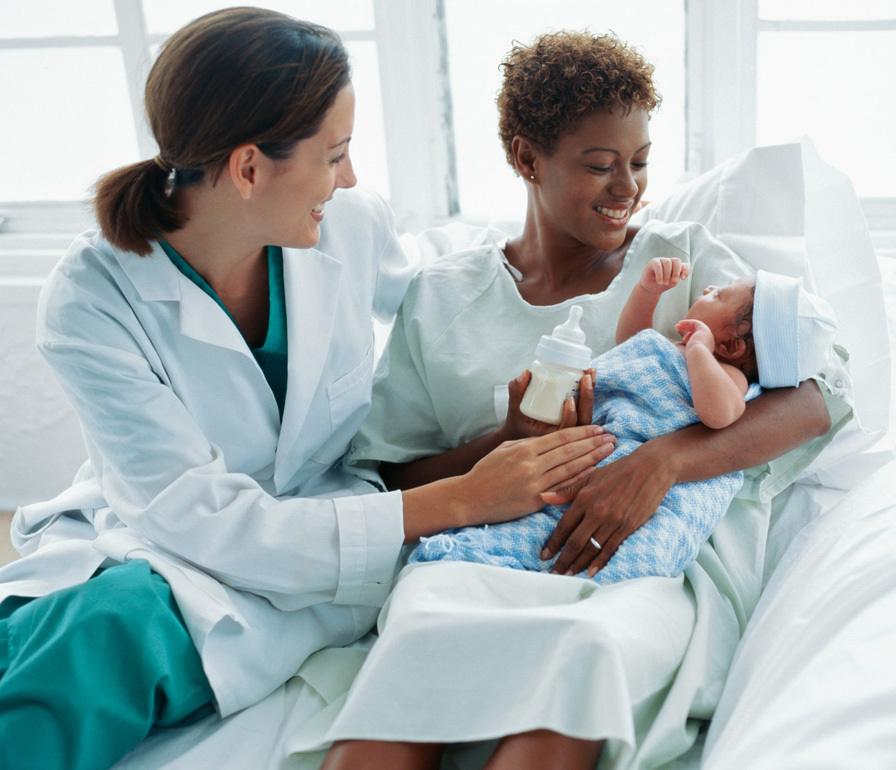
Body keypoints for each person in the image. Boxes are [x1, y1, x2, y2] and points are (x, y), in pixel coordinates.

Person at [0, 11, 614, 770]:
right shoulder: (92, 298)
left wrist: (565, 233)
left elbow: (449, 285)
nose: (349, 178)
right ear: (250, 168)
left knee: (99, 639)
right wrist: (461, 498)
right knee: (87, 630)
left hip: (312, 540)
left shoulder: (346, 225)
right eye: (335, 155)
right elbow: (200, 519)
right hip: (174, 539)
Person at [311, 30, 852, 770]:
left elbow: (820, 397)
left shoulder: (686, 260)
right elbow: (389, 482)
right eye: (600, 166)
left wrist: (662, 462)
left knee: (585, 656)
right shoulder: (441, 299)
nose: (627, 188)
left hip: (642, 571)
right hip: (476, 559)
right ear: (526, 158)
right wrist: (507, 443)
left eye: (639, 163)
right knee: (417, 653)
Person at [406, 258, 839, 584]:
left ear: (731, 347)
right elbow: (634, 342)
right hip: (600, 447)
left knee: (566, 532)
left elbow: (720, 414)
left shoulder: (726, 377)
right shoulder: (678, 349)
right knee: (540, 517)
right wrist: (648, 292)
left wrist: (700, 352)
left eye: (720, 295)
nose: (709, 287)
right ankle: (489, 558)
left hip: (647, 477)